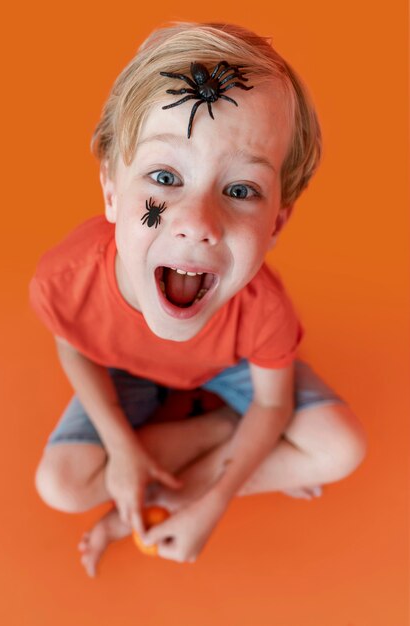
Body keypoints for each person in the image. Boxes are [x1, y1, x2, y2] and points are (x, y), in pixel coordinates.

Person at [30, 22, 367, 577]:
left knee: (343, 447)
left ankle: (201, 450)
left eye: (240, 190)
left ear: (277, 222)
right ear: (112, 190)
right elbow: (73, 344)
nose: (196, 224)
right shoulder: (65, 277)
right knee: (59, 485)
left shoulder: (263, 308)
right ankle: (217, 428)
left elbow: (270, 402)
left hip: (229, 368)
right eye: (164, 177)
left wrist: (210, 503)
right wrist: (121, 446)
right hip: (128, 374)